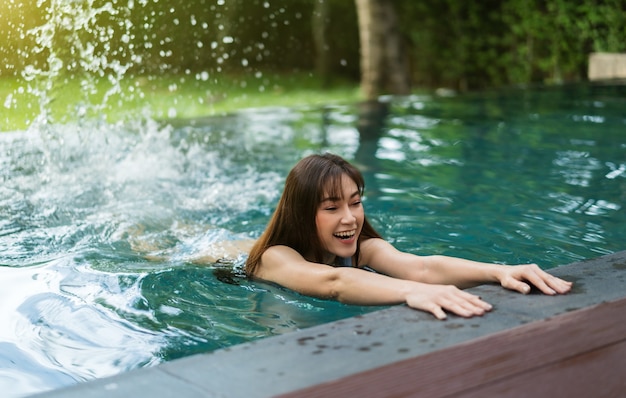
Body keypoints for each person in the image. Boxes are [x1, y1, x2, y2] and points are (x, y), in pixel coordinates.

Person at [245, 153, 572, 320]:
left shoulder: (360, 249)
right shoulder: (276, 256)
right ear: (302, 214)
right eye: (331, 207)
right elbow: (334, 282)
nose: (350, 217)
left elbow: (422, 268)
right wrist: (413, 293)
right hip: (220, 257)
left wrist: (498, 271)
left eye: (356, 202)